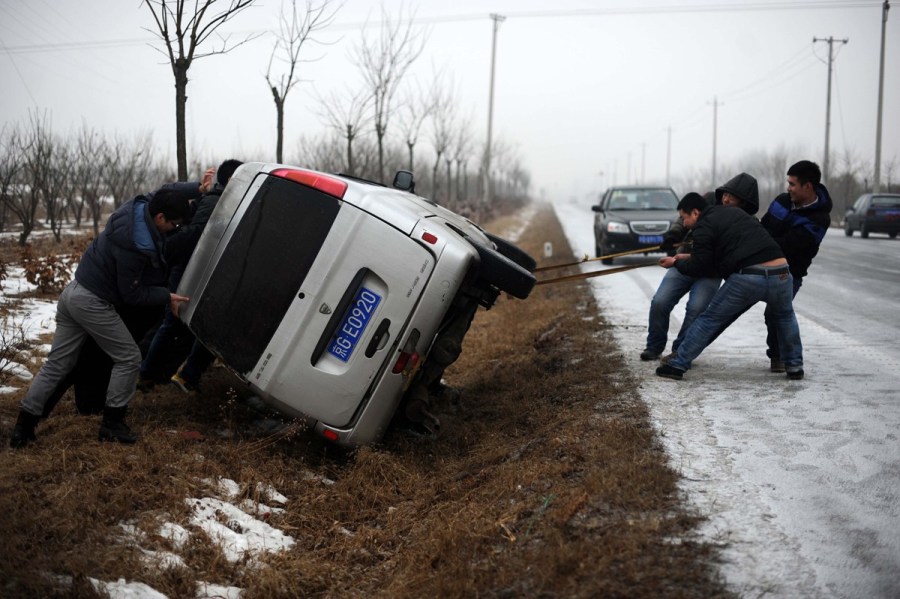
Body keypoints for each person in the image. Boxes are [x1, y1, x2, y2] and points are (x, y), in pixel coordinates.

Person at [9, 186, 195, 448]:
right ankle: (112, 423)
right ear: (161, 218)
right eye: (174, 224)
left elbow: (166, 190)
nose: (175, 229)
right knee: (128, 357)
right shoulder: (135, 245)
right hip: (92, 302)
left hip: (73, 292)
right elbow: (132, 294)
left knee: (56, 365)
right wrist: (167, 296)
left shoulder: (136, 208)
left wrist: (198, 188)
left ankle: (23, 428)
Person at [654, 192, 803, 381]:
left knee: (710, 319)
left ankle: (677, 364)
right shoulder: (733, 214)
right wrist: (687, 257)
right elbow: (719, 254)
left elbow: (700, 267)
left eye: (684, 218)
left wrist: (675, 263)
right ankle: (795, 365)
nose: (684, 224)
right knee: (785, 316)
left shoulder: (703, 226)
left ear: (695, 213)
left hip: (750, 277)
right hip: (781, 272)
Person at [140, 159, 243, 393]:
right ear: (231, 181)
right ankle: (146, 373)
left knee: (177, 325)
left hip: (196, 272)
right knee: (170, 323)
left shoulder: (223, 202)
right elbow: (192, 235)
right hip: (187, 272)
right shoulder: (214, 202)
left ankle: (164, 373)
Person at [641, 173, 760, 363]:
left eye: (733, 197)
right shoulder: (709, 199)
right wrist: (674, 235)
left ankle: (680, 351)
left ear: (744, 203)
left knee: (696, 309)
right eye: (726, 194)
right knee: (660, 302)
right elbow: (684, 217)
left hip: (710, 272)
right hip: (682, 262)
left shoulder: (746, 221)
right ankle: (654, 346)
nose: (726, 199)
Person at [758, 160, 831, 372]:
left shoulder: (820, 218)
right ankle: (685, 352)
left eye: (792, 184)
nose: (788, 188)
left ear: (807, 186)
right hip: (760, 266)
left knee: (776, 313)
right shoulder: (782, 201)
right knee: (725, 307)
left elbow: (794, 247)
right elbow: (763, 229)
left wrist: (770, 241)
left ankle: (782, 357)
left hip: (790, 274)